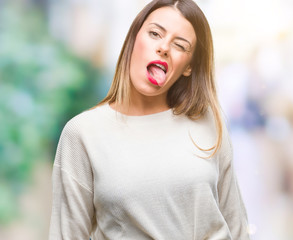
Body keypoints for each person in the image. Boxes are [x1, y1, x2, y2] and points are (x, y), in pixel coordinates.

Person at [48, 0, 250, 239]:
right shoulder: (82, 133)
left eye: (180, 45)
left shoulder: (207, 121)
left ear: (188, 67)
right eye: (155, 33)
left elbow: (236, 226)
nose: (164, 47)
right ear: (134, 39)